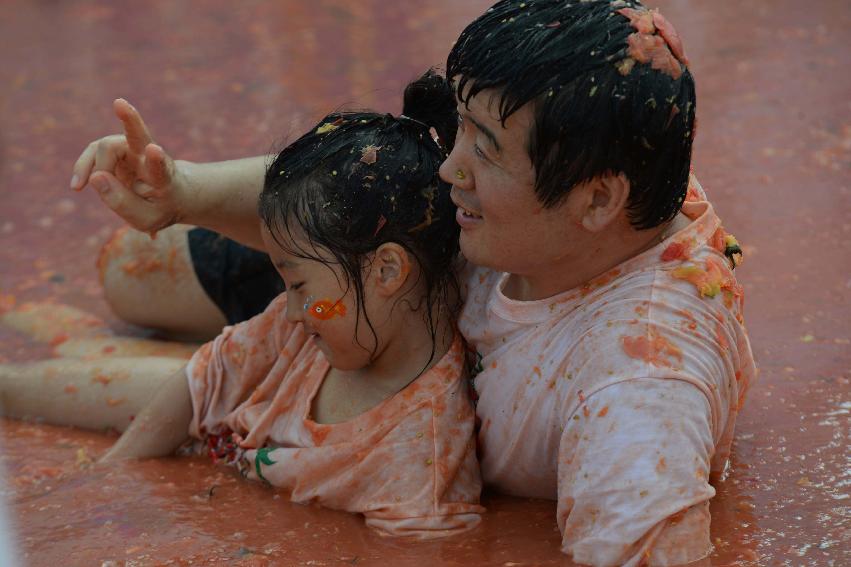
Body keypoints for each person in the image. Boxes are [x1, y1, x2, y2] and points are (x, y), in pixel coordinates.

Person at [71, 1, 755, 564]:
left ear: (598, 201)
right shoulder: (589, 192)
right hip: (395, 282)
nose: (447, 166)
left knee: (172, 342)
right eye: (460, 128)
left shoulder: (636, 390)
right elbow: (369, 186)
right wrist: (182, 190)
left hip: (392, 327)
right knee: (132, 268)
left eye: (482, 148)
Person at [2, 71, 484, 538]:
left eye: (297, 285)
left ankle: (83, 344)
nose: (291, 309)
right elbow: (201, 382)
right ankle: (69, 350)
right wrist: (114, 476)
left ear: (387, 271)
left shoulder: (421, 467)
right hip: (218, 425)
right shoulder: (315, 319)